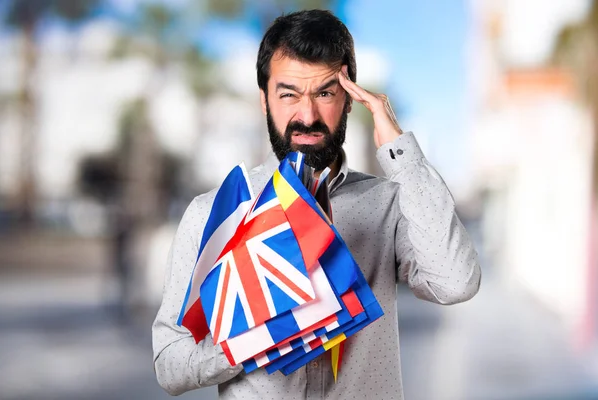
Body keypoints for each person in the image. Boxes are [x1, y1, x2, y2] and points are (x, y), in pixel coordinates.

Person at [152, 9, 481, 400]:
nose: (306, 116)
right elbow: (170, 365)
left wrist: (399, 150)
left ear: (350, 99)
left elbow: (455, 283)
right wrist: (252, 339)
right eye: (288, 94)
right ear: (264, 100)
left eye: (325, 93)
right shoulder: (213, 214)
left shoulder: (389, 204)